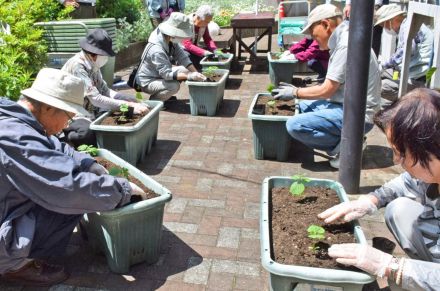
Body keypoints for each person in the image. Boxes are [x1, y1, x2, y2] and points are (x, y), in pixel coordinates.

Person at [0, 68, 146, 286]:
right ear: (48, 108)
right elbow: (70, 188)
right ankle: (10, 265)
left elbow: (55, 145)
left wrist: (89, 164)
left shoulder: (16, 117)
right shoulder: (15, 137)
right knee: (73, 202)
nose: (68, 124)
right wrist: (123, 190)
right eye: (68, 115)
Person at [319, 88, 440, 290]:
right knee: (399, 209)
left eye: (400, 152)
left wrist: (390, 267)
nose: (395, 160)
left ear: (430, 149)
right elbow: (405, 182)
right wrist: (370, 201)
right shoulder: (433, 171)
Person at [272, 4, 381, 169]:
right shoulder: (344, 38)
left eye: (314, 35)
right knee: (299, 106)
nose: (314, 39)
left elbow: (326, 90)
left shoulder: (345, 45)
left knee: (295, 125)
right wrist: (298, 95)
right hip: (346, 105)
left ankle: (349, 147)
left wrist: (296, 91)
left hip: (359, 116)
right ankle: (351, 140)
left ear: (326, 25)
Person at [62, 29, 149, 146]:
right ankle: (67, 137)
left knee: (126, 106)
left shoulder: (93, 64)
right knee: (86, 134)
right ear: (94, 53)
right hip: (74, 112)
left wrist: (127, 99)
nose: (106, 58)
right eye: (104, 55)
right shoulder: (78, 66)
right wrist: (128, 106)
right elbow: (96, 99)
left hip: (91, 109)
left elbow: (105, 90)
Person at [136, 12, 206, 104]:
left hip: (158, 74)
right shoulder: (157, 49)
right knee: (174, 86)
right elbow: (167, 75)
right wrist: (189, 76)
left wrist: (195, 72)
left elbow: (182, 56)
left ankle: (164, 95)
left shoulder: (168, 38)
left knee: (184, 69)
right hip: (148, 81)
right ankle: (154, 101)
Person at [375, 4, 433, 101]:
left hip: (421, 76)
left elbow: (408, 49)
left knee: (383, 87)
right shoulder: (407, 25)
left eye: (384, 24)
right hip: (415, 71)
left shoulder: (407, 26)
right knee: (382, 74)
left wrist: (386, 65)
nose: (386, 28)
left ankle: (410, 100)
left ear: (393, 19)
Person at [181, 5, 217, 70]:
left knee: (210, 55)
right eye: (206, 22)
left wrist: (214, 49)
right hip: (181, 49)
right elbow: (187, 44)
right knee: (189, 57)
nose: (207, 24)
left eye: (208, 22)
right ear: (198, 17)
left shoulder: (203, 23)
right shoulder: (186, 22)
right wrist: (204, 52)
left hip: (194, 47)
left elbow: (207, 38)